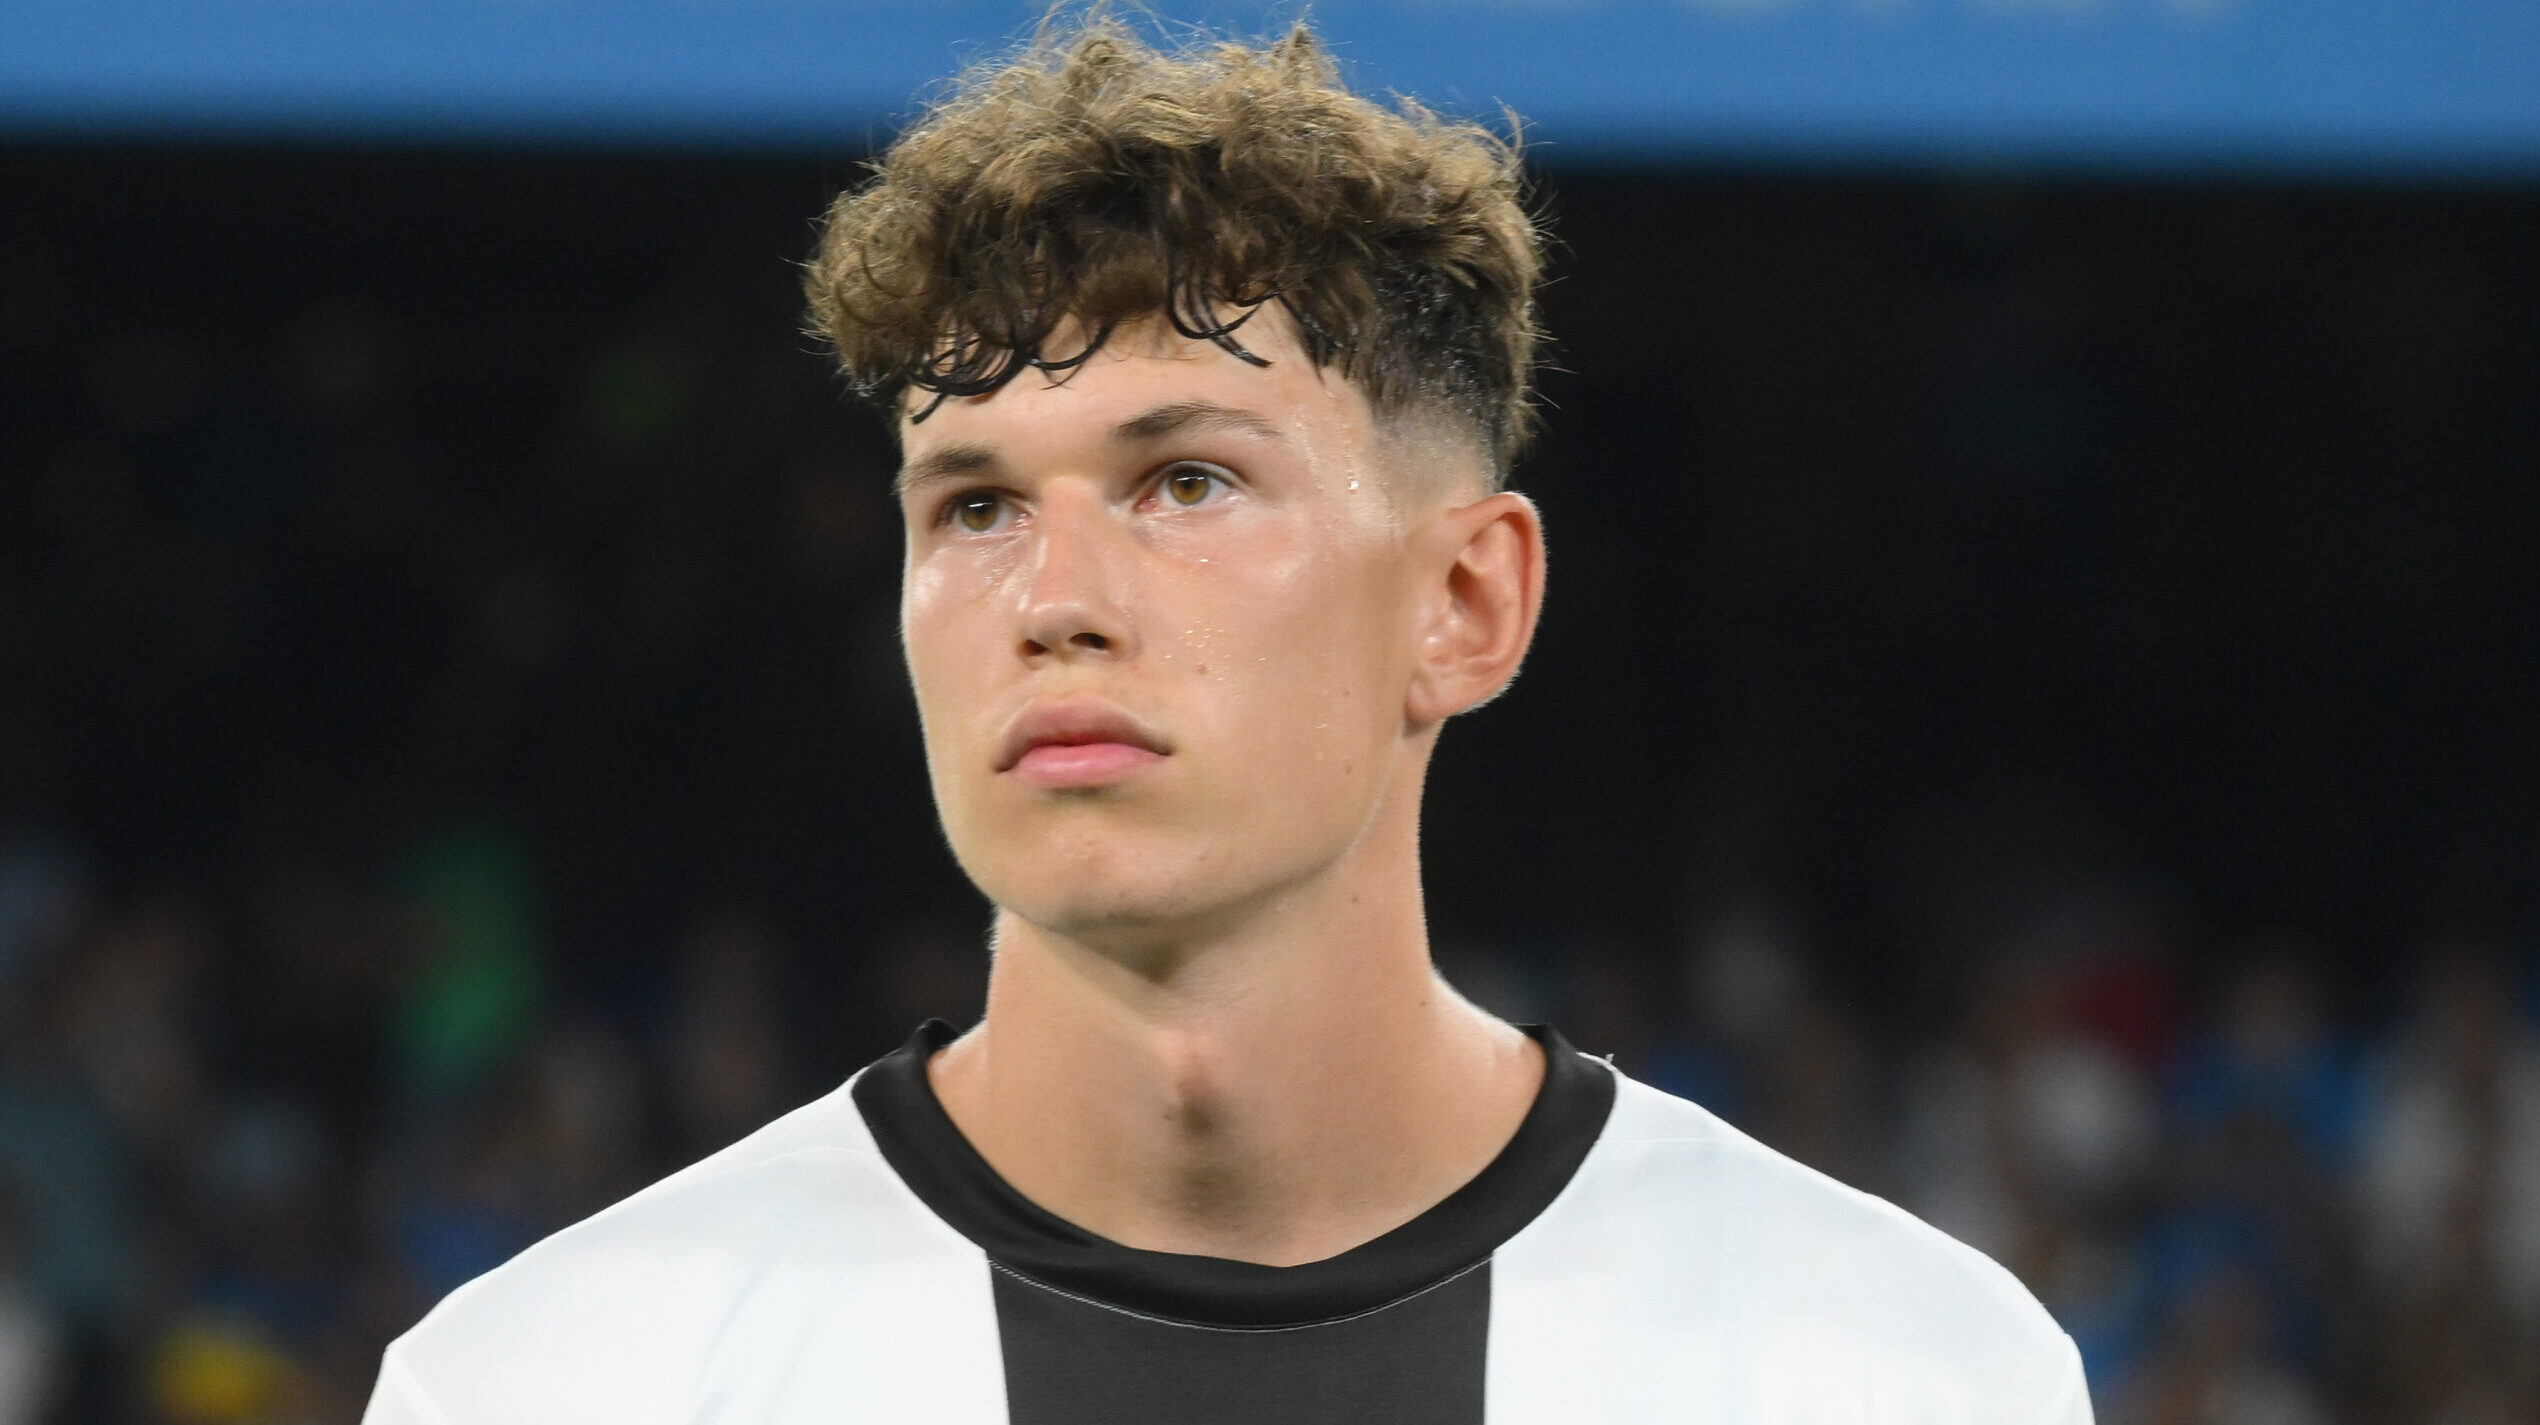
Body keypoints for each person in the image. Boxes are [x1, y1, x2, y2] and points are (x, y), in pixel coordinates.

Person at [362, 14, 2091, 1423]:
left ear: (1465, 602)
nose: (1055, 597)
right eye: (975, 505)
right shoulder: (554, 1386)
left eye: (1185, 480)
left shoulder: (1897, 1375)